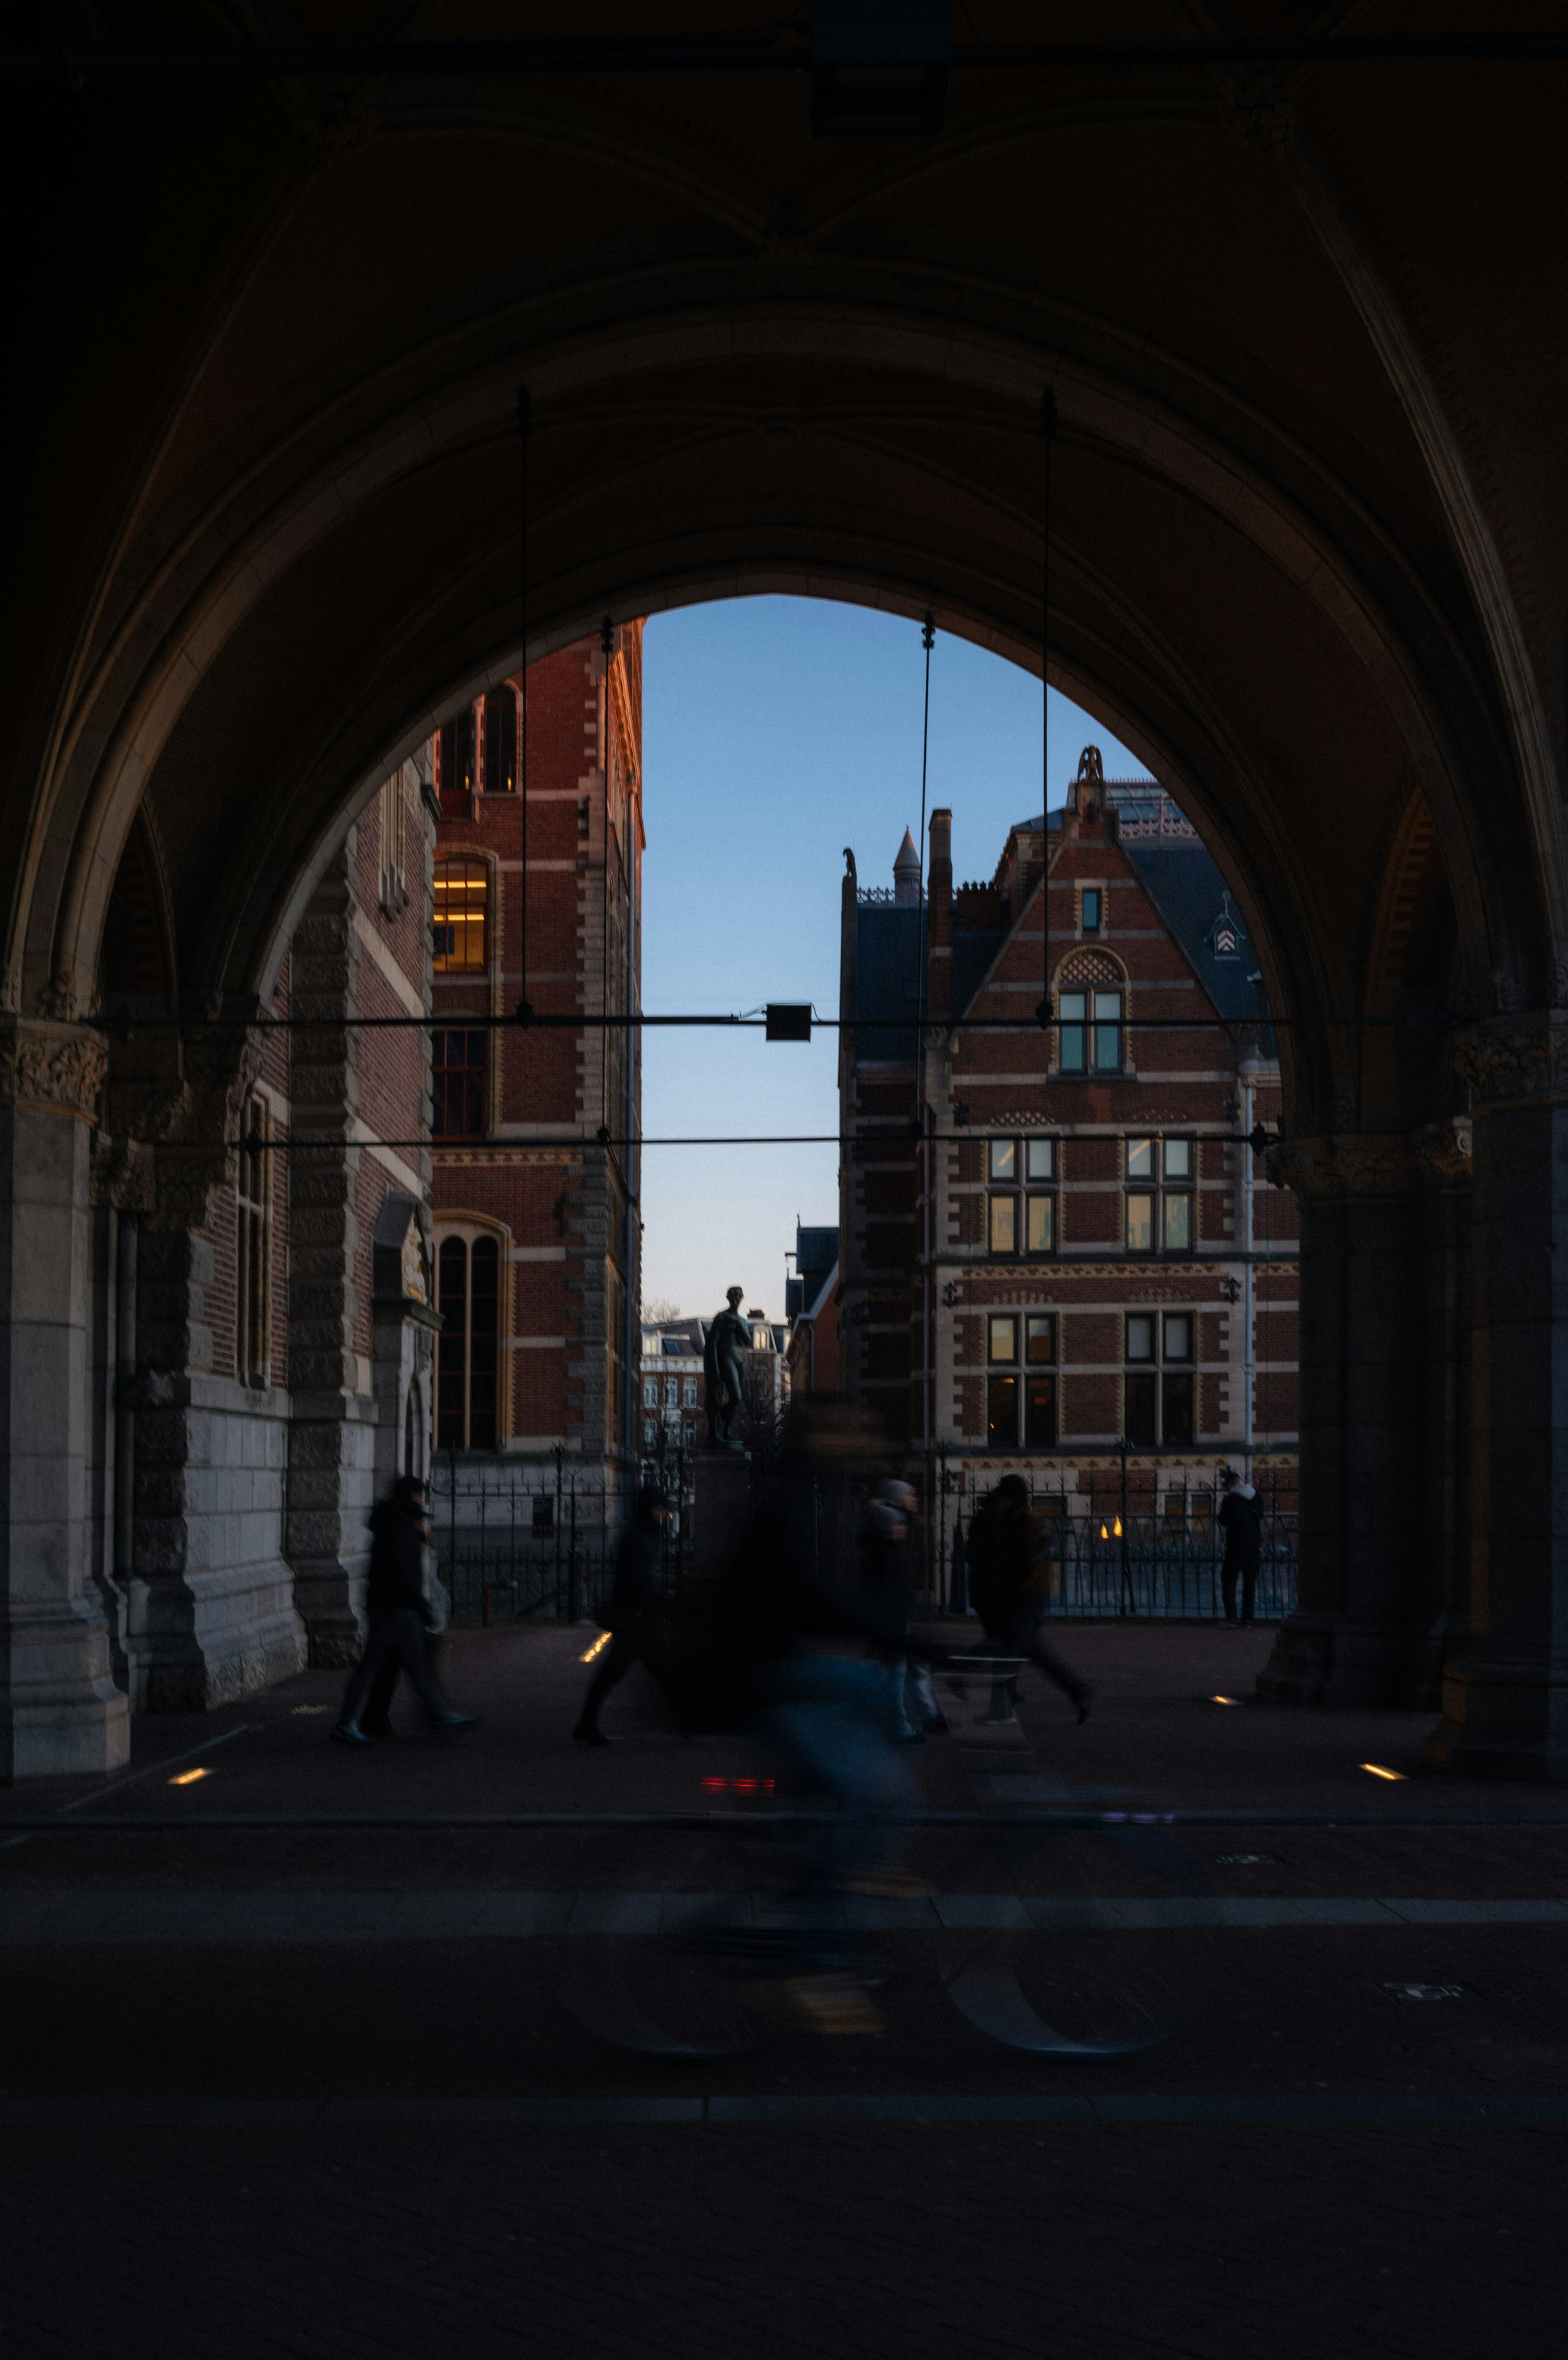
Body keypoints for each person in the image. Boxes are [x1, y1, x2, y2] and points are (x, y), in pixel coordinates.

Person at [331, 1476, 479, 1745]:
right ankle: (439, 1715)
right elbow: (402, 1572)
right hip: (398, 1607)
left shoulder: (395, 1522)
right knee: (413, 1664)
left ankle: (350, 1721)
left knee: (379, 1666)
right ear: (412, 1496)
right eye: (421, 1496)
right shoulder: (399, 1527)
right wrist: (420, 1604)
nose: (423, 1501)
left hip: (390, 1605)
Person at [963, 1475, 1092, 1724]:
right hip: (1021, 1596)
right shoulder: (1016, 1520)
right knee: (1026, 1649)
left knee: (1009, 1650)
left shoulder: (1025, 1522)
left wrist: (1010, 1588)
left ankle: (997, 1706)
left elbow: (1026, 1564)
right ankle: (1077, 1689)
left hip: (1025, 1596)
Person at [573, 1482, 672, 1744]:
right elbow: (640, 1582)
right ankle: (689, 1721)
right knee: (659, 1672)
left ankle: (587, 1724)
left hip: (636, 1622)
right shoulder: (640, 1539)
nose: (663, 1514)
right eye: (660, 1509)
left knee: (616, 1674)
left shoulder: (640, 1537)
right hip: (639, 1622)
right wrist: (664, 1605)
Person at [860, 1477, 943, 1742]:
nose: (915, 1499)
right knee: (897, 1671)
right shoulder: (890, 1530)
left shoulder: (897, 1525)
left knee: (910, 1667)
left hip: (895, 1612)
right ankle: (899, 1725)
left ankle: (927, 1716)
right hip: (892, 1614)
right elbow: (891, 1580)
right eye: (910, 1494)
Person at [1218, 1465, 1263, 1624]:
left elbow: (1223, 1520)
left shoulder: (1231, 1500)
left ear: (1231, 1486)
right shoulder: (1257, 1497)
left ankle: (1231, 1618)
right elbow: (1260, 1516)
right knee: (1250, 1581)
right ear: (1242, 1481)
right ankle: (1247, 1618)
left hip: (1237, 1543)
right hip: (1255, 1542)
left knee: (1229, 1579)